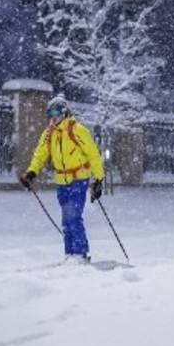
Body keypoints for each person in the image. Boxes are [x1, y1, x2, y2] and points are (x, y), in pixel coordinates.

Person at [19, 95, 104, 262]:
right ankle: (70, 254)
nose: (53, 117)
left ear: (64, 113)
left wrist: (99, 179)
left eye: (56, 113)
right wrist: (31, 172)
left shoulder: (77, 129)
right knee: (66, 218)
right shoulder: (49, 132)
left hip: (78, 179)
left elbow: (93, 154)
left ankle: (80, 253)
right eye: (50, 113)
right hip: (61, 181)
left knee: (73, 215)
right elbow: (40, 154)